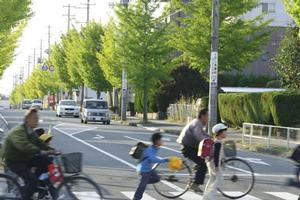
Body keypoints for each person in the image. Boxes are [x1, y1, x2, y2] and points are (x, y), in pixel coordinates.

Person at [3, 109, 55, 200]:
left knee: (45, 160)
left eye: (37, 118)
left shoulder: (31, 131)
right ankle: (27, 192)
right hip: (14, 160)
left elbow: (39, 143)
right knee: (32, 180)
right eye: (34, 118)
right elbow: (24, 146)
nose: (37, 120)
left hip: (23, 157)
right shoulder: (19, 131)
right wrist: (40, 151)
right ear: (27, 119)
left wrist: (52, 150)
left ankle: (36, 185)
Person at [177, 108, 209, 192]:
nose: (208, 117)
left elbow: (203, 134)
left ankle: (192, 178)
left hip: (190, 146)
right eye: (207, 115)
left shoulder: (198, 123)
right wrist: (208, 141)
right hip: (188, 147)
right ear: (202, 116)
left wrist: (211, 138)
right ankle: (195, 184)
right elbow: (198, 135)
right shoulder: (197, 123)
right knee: (203, 164)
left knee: (200, 161)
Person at [133, 133, 169, 200]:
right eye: (161, 140)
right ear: (157, 141)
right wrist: (165, 160)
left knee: (157, 178)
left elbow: (152, 158)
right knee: (142, 186)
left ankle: (144, 181)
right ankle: (136, 198)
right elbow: (153, 159)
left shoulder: (154, 148)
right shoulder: (150, 149)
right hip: (143, 170)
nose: (162, 141)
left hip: (148, 169)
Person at [203, 123, 227, 200]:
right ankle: (210, 195)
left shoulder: (217, 141)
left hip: (209, 162)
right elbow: (216, 155)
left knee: (212, 178)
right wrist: (217, 166)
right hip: (213, 163)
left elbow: (219, 154)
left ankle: (205, 196)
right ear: (220, 133)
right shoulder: (218, 143)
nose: (226, 133)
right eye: (225, 131)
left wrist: (222, 160)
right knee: (220, 178)